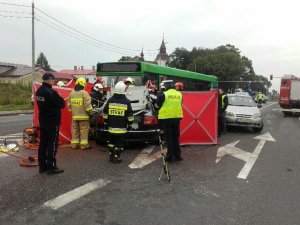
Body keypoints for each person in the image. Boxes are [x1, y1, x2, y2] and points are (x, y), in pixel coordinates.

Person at [36, 73, 65, 174]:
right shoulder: (51, 92)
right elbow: (62, 104)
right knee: (52, 144)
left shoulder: (39, 91)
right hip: (52, 121)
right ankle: (51, 166)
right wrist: (60, 97)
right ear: (48, 80)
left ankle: (42, 166)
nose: (54, 82)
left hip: (43, 121)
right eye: (53, 80)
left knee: (43, 143)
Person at [103, 81, 134, 163]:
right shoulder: (126, 101)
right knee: (119, 144)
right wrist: (130, 124)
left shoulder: (110, 100)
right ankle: (116, 158)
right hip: (121, 128)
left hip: (111, 128)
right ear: (124, 90)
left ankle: (111, 157)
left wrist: (106, 122)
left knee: (111, 143)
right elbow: (130, 115)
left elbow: (105, 112)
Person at [156, 80, 183, 163]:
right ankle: (178, 155)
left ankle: (170, 156)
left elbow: (157, 105)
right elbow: (180, 104)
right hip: (177, 118)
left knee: (169, 138)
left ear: (165, 86)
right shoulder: (179, 94)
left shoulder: (163, 94)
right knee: (175, 137)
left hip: (166, 118)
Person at [68, 77, 93, 150]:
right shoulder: (84, 93)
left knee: (75, 130)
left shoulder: (71, 93)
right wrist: (90, 113)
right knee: (84, 130)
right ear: (83, 85)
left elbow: (69, 106)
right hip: (84, 117)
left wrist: (74, 112)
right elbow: (87, 105)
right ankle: (84, 145)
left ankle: (74, 145)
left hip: (74, 116)